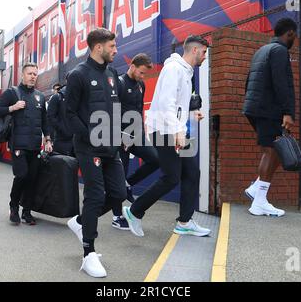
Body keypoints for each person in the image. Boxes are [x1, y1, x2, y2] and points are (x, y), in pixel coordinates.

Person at [122, 35, 211, 238]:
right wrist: (178, 131)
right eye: (204, 52)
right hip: (164, 130)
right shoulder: (173, 69)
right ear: (195, 50)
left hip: (174, 129)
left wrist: (191, 113)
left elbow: (178, 104)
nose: (205, 57)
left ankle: (184, 222)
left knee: (191, 172)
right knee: (171, 177)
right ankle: (134, 211)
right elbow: (165, 103)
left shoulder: (185, 72)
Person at [65, 28, 126, 278]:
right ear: (98, 47)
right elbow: (69, 114)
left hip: (111, 146)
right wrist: (91, 136)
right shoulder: (78, 75)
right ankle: (88, 252)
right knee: (94, 196)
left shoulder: (112, 73)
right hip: (89, 146)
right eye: (112, 46)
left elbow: (116, 109)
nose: (115, 50)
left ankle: (80, 222)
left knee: (119, 194)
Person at [242, 18, 297, 218]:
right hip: (268, 108)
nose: (295, 40)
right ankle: (259, 202)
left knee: (272, 149)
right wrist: (288, 112)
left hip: (255, 107)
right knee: (272, 150)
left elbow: (249, 81)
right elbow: (281, 83)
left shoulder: (262, 51)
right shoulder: (280, 51)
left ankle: (257, 189)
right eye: (295, 36)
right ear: (290, 33)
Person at [0, 62, 53, 226]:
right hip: (18, 144)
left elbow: (44, 120)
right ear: (23, 75)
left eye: (35, 74)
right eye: (30, 73)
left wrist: (47, 139)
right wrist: (13, 107)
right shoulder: (13, 92)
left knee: (32, 179)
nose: (33, 76)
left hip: (35, 145)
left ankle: (27, 211)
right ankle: (13, 206)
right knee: (22, 175)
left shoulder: (40, 96)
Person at [110, 53, 160, 230]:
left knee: (155, 159)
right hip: (120, 136)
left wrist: (140, 132)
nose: (142, 76)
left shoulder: (141, 85)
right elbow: (112, 112)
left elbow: (139, 110)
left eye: (144, 74)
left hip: (136, 135)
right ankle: (117, 217)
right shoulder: (119, 84)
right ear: (132, 66)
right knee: (118, 178)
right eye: (140, 72)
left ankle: (129, 183)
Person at [47, 84, 74, 156]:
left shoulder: (80, 96)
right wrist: (63, 129)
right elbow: (50, 118)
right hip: (62, 141)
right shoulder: (57, 97)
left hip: (78, 143)